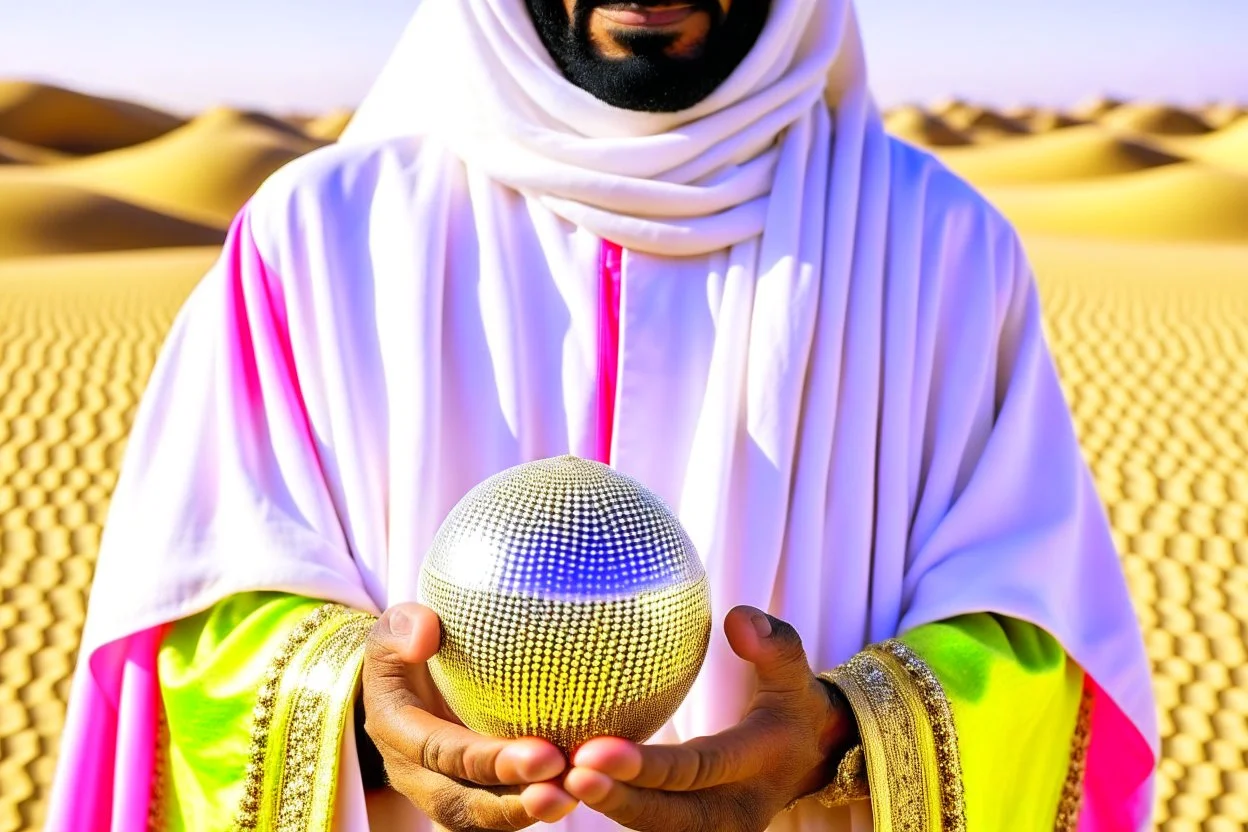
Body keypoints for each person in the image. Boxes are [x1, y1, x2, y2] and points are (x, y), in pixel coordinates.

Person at [48, 0, 1158, 829]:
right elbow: (186, 618)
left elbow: (1044, 635)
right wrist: (363, 712)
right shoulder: (316, 236)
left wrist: (840, 734)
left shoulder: (945, 251)